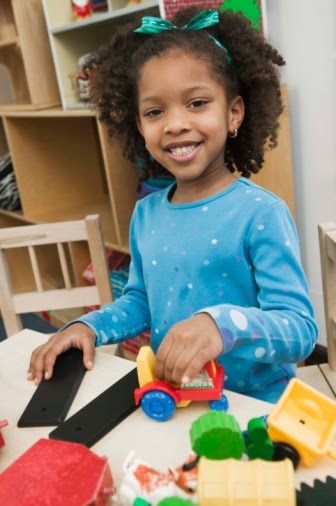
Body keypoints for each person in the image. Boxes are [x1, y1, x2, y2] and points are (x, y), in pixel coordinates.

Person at [28, 7, 318, 403]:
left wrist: (220, 325)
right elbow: (142, 301)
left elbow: (300, 331)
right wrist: (90, 327)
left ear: (233, 113)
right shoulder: (146, 214)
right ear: (139, 127)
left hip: (254, 402)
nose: (175, 123)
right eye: (154, 111)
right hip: (176, 397)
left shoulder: (261, 214)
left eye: (197, 103)